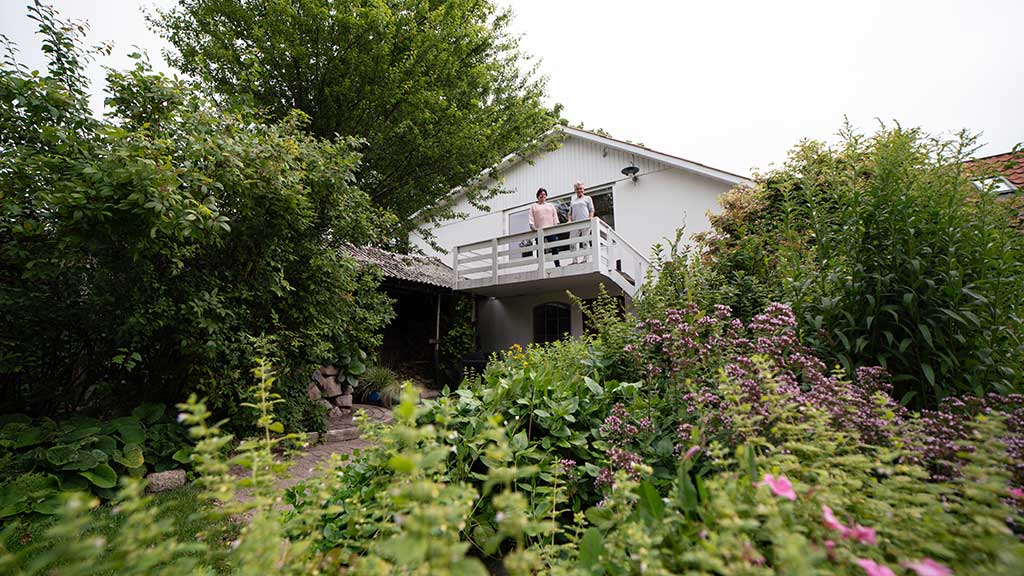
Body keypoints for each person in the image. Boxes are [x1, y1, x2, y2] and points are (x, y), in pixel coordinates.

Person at [529, 187, 563, 267]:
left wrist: (556, 227)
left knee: (554, 248)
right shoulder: (534, 206)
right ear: (537, 196)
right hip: (539, 230)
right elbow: (531, 218)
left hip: (550, 229)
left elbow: (555, 217)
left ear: (546, 196)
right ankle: (540, 266)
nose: (542, 195)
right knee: (540, 249)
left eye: (544, 194)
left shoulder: (550, 205)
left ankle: (557, 265)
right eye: (541, 194)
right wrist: (533, 227)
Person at [568, 181, 594, 263]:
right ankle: (574, 260)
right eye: (577, 189)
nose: (579, 190)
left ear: (583, 189)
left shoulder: (587, 198)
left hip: (585, 222)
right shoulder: (573, 201)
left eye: (581, 189)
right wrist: (569, 220)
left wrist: (590, 219)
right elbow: (569, 213)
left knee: (585, 241)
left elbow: (591, 210)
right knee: (572, 242)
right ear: (575, 190)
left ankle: (585, 259)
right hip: (575, 223)